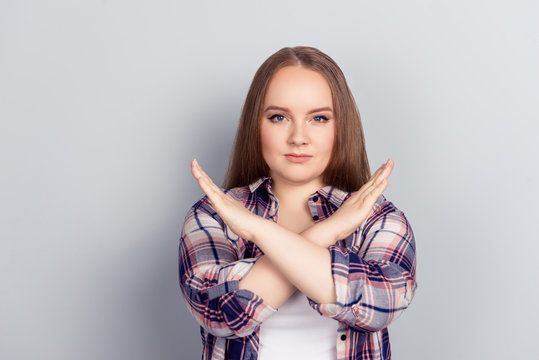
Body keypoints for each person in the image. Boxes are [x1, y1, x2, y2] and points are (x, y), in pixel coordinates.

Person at [178, 46, 417, 360]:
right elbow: (221, 314)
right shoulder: (214, 215)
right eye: (279, 117)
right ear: (256, 126)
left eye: (318, 118)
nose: (298, 137)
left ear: (340, 127)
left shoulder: (379, 219)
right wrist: (326, 232)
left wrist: (261, 233)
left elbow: (382, 304)